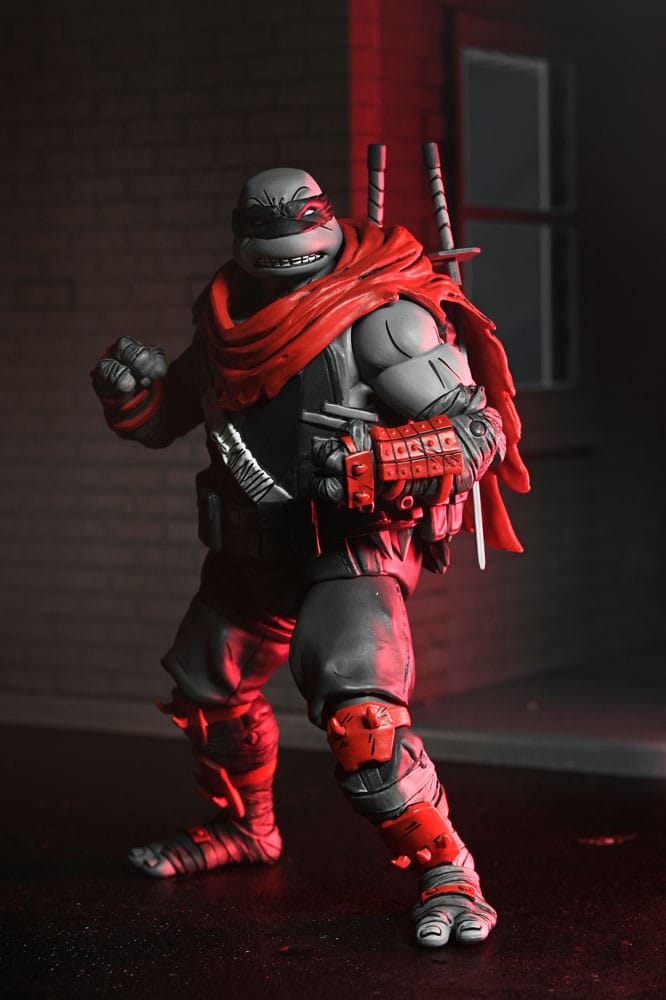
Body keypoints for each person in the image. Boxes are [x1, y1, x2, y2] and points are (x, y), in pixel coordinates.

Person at [92, 166, 529, 948]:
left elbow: (478, 432)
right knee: (209, 691)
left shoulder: (383, 318)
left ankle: (450, 874)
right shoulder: (228, 319)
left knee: (366, 727)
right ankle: (247, 829)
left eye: (297, 223)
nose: (284, 242)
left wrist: (383, 460)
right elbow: (167, 418)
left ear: (324, 220)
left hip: (348, 549)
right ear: (242, 233)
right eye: (265, 228)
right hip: (251, 550)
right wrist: (131, 395)